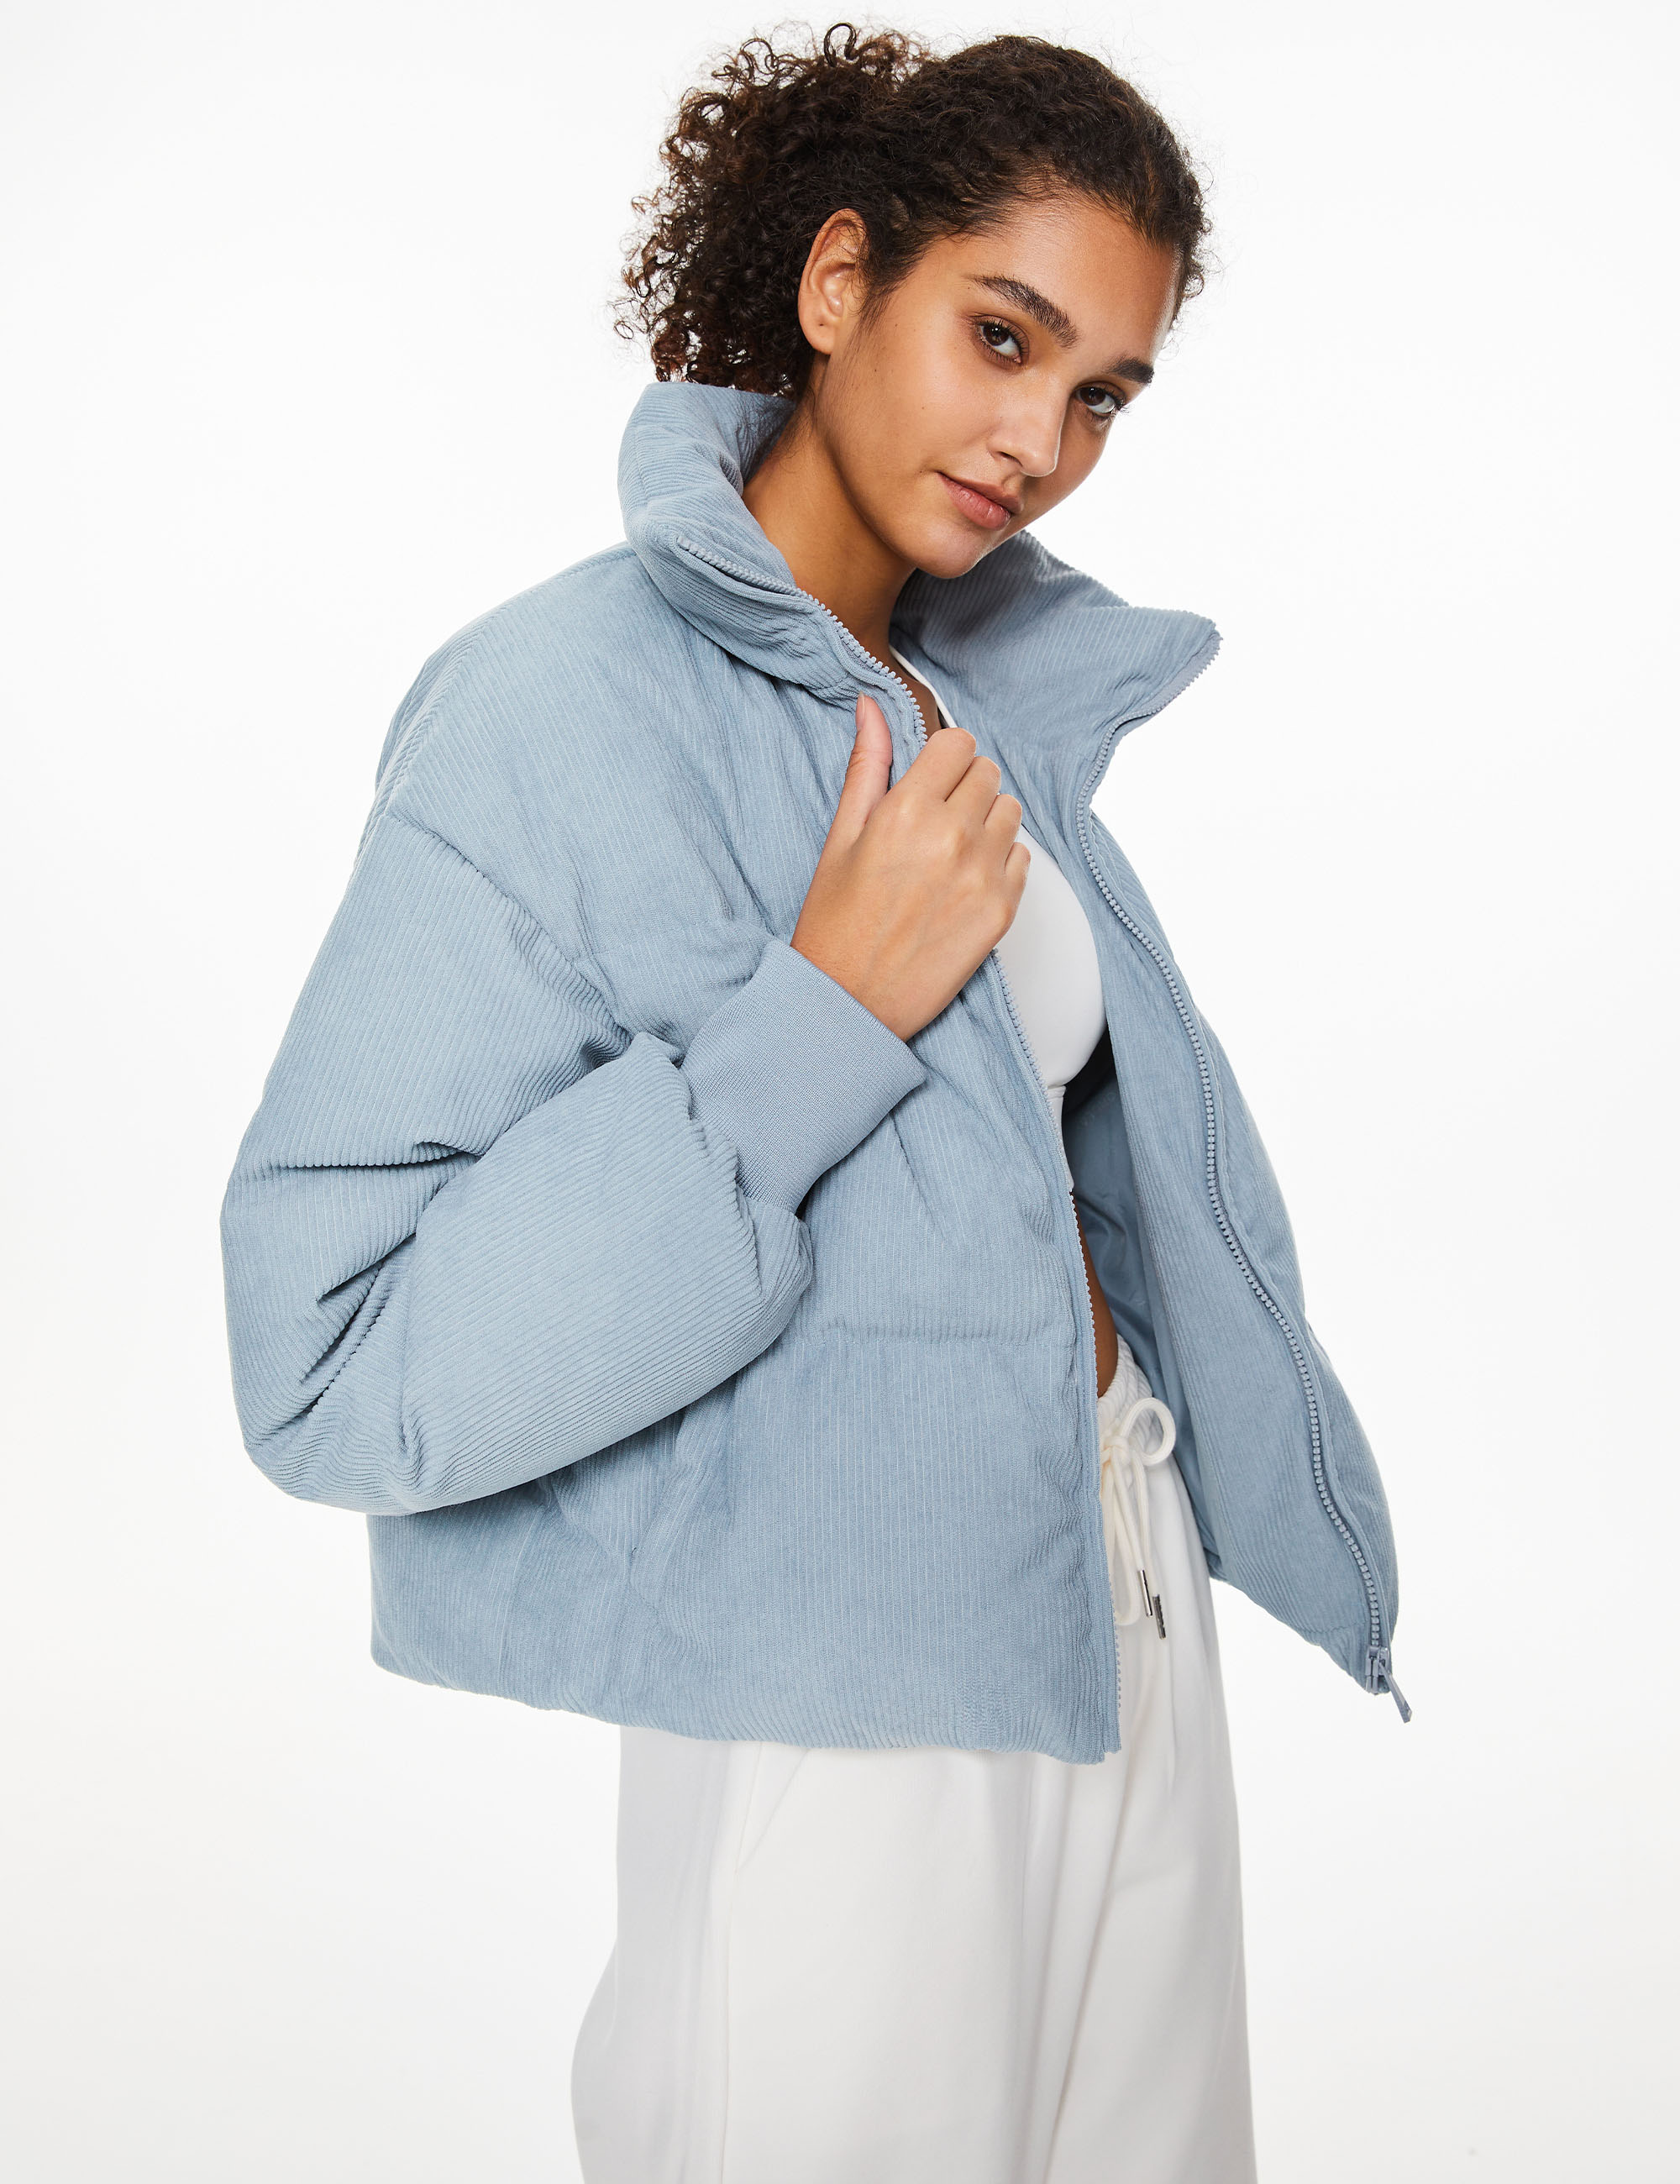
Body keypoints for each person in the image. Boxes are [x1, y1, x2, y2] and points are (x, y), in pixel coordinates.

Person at [220, 25, 1403, 2181]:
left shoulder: (978, 717)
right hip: (836, 1715)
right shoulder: (554, 708)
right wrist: (815, 1017)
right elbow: (330, 1362)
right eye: (1002, 336)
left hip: (1111, 1599)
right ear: (841, 280)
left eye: (1103, 394)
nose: (1041, 439)